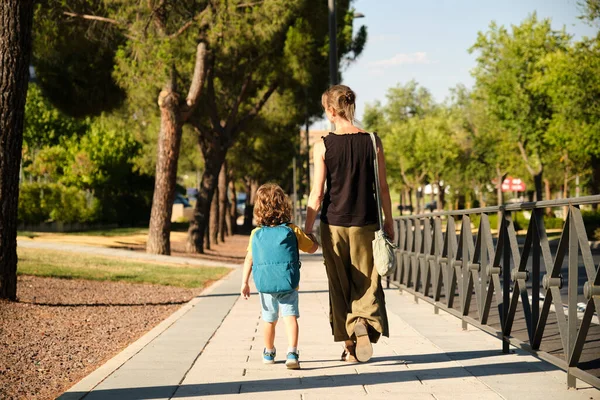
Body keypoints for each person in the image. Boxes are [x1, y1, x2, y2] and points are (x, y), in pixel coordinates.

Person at [304, 85, 394, 363]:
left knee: (339, 285)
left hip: (333, 226)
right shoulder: (372, 141)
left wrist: (306, 231)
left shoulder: (323, 144)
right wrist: (389, 222)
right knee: (368, 283)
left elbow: (317, 193)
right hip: (366, 223)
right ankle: (364, 322)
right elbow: (383, 188)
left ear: (332, 111)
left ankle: (349, 347)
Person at [241, 183, 318, 369]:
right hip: (288, 283)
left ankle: (268, 352)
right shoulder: (291, 229)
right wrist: (312, 236)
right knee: (290, 317)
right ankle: (292, 352)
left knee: (269, 319)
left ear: (258, 209)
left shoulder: (256, 233)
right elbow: (312, 248)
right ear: (284, 205)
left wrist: (244, 282)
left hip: (265, 284)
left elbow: (249, 258)